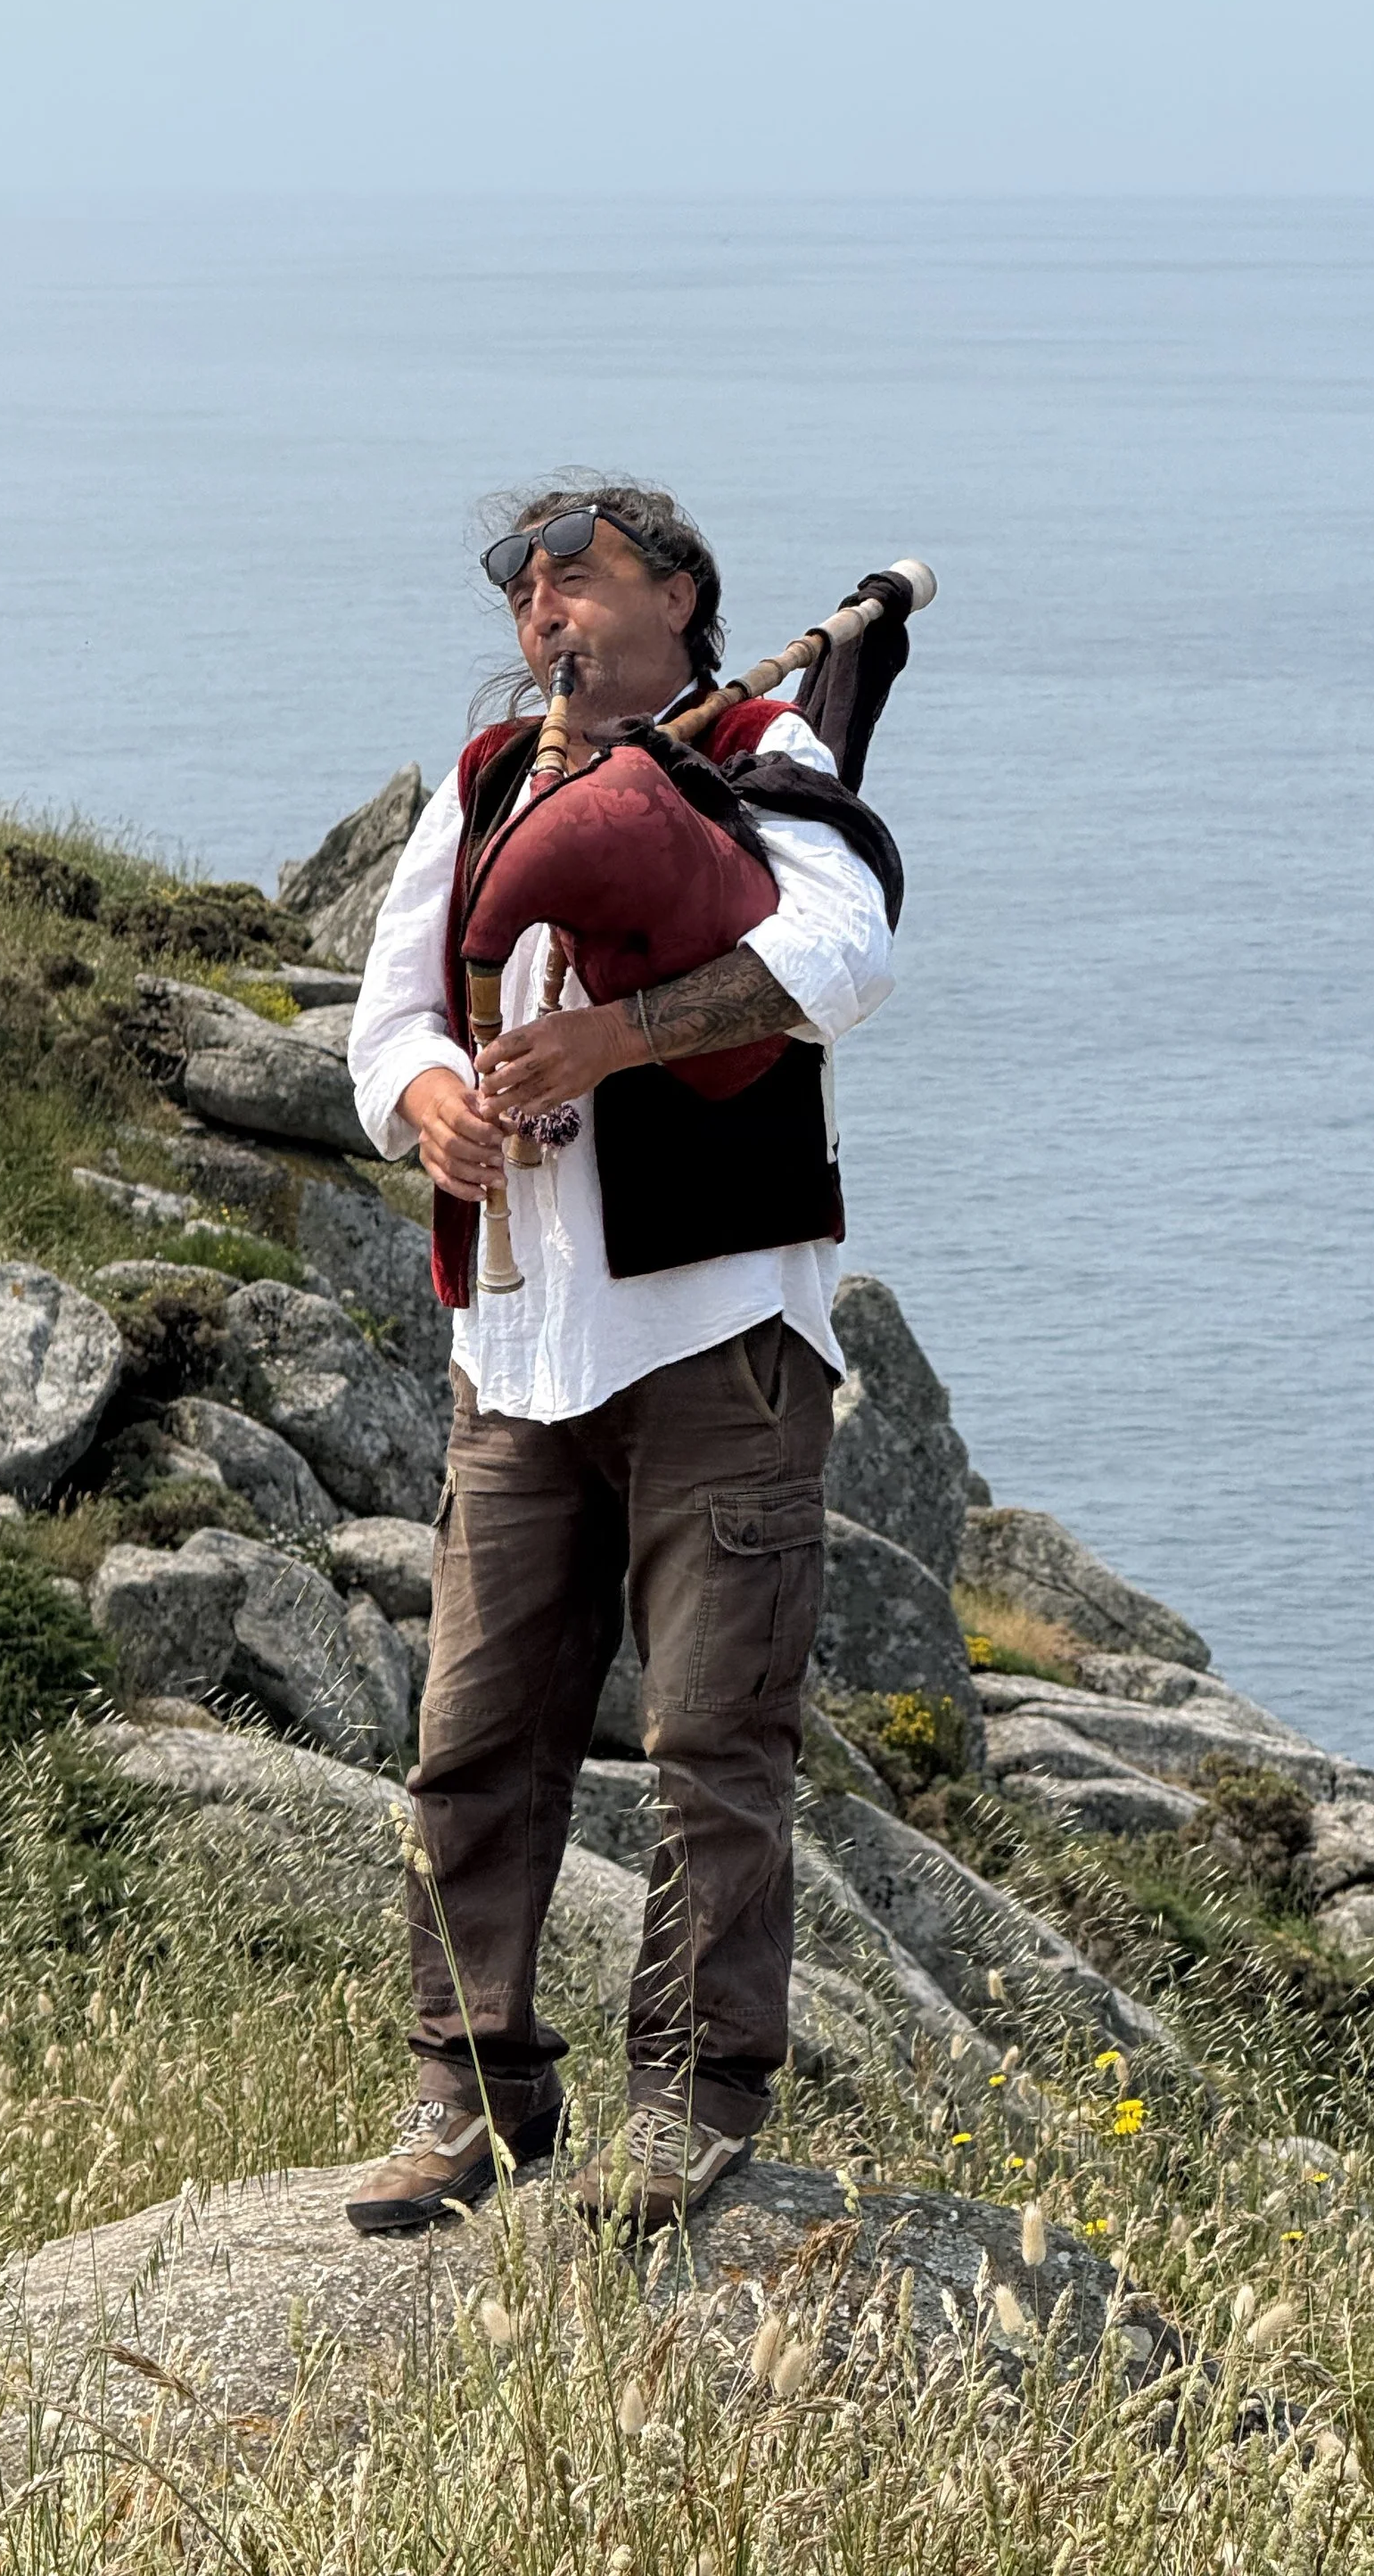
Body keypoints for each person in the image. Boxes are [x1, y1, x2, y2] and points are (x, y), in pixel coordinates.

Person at [342, 480, 896, 2235]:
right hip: (511, 1353)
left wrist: (606, 1036)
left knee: (712, 1748)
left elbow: (837, 956)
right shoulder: (487, 779)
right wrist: (435, 1107)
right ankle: (470, 2092)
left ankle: (693, 2103)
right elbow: (387, 1019)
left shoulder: (760, 755)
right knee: (473, 1741)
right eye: (519, 590)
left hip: (716, 1336)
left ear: (677, 592)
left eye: (572, 573)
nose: (539, 608)